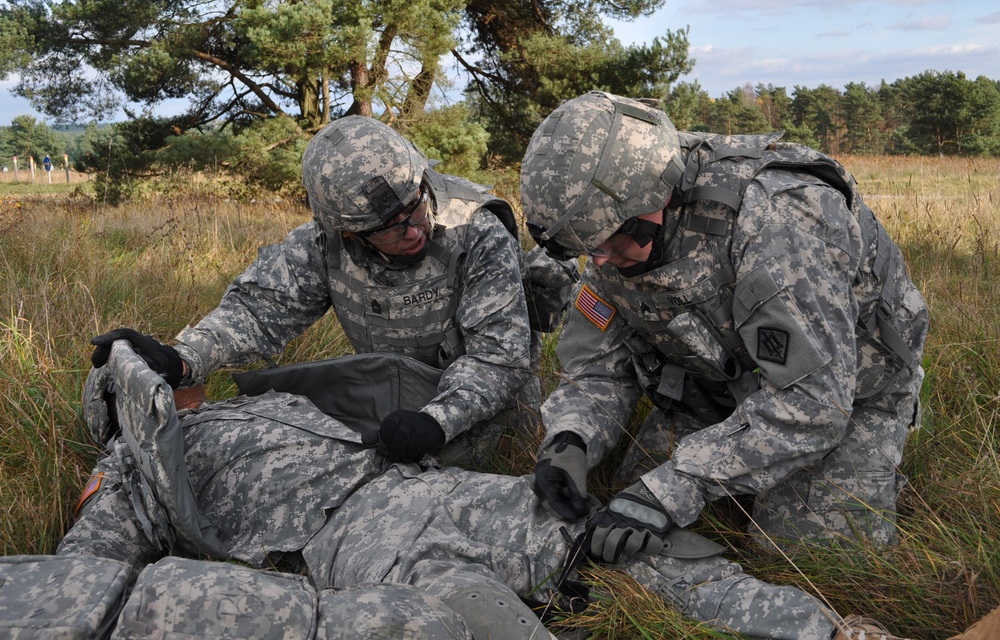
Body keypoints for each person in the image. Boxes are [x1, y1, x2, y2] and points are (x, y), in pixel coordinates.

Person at [37, 340, 907, 640]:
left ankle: (820, 629)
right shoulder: (134, 470)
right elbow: (84, 580)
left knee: (619, 537)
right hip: (345, 548)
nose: (181, 386)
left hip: (426, 489)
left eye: (172, 374)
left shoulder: (264, 401)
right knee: (472, 614)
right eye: (156, 384)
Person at [521, 91, 928, 561]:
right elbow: (597, 371)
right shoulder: (607, 229)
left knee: (805, 553)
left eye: (611, 242)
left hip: (846, 395)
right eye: (586, 249)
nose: (598, 261)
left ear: (654, 193)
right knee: (615, 523)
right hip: (713, 389)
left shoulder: (776, 219)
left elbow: (816, 404)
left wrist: (672, 487)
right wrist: (570, 440)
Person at [89, 115, 575, 467]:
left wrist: (438, 421)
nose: (413, 231)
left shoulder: (477, 230)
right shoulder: (325, 243)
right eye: (389, 227)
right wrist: (183, 360)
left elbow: (499, 361)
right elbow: (259, 312)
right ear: (349, 232)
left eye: (416, 207)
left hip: (483, 412)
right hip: (390, 403)